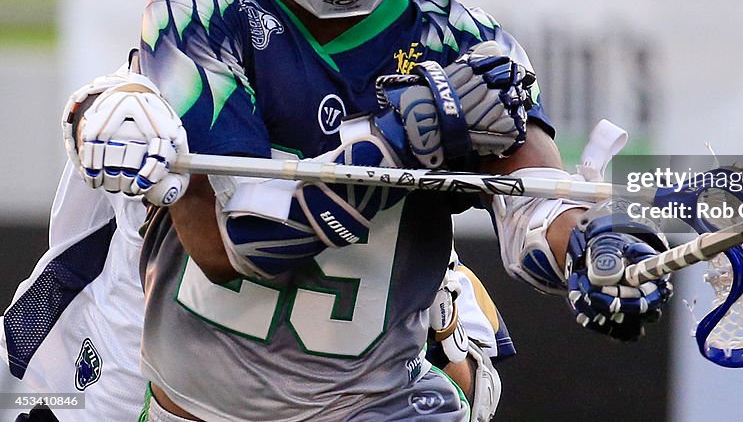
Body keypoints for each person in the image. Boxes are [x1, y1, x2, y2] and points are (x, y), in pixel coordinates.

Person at [62, 0, 672, 421]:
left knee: (472, 379)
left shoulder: (460, 40)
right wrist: (398, 139)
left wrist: (592, 246)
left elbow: (537, 206)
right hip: (197, 406)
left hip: (379, 405)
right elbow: (233, 244)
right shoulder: (203, 7)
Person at [1, 63, 512, 422]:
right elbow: (110, 108)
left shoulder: (422, 255)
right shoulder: (192, 95)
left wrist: (438, 320)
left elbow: (470, 392)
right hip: (78, 390)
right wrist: (110, 113)